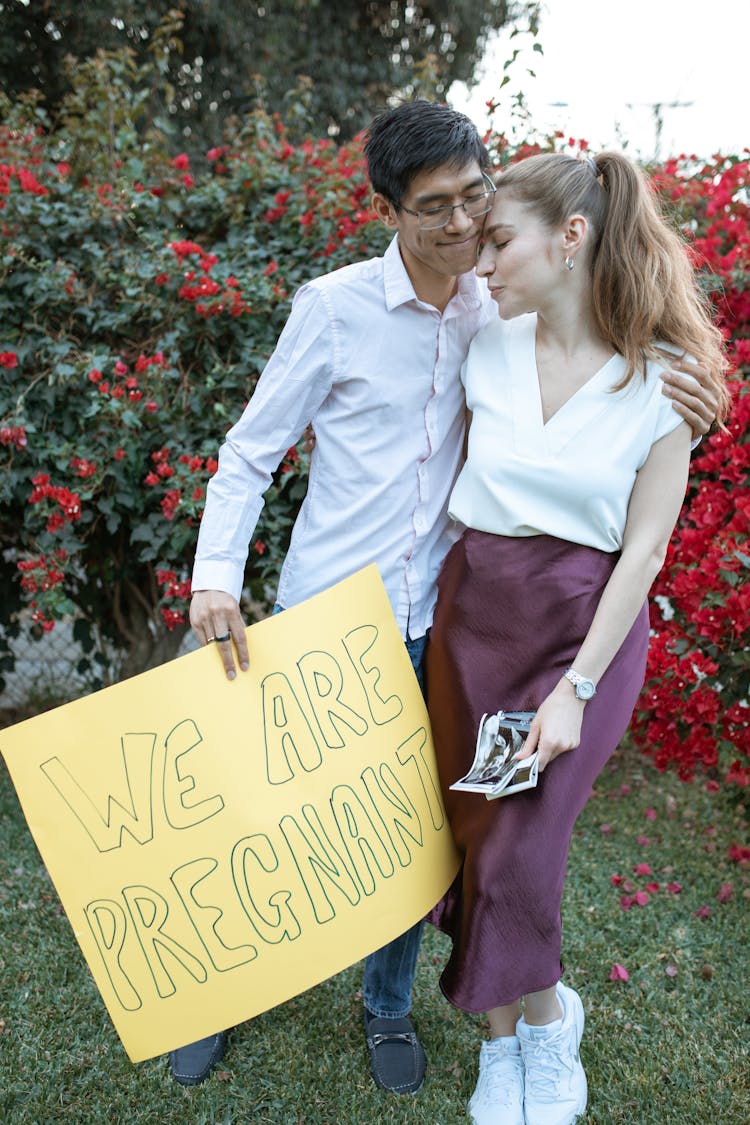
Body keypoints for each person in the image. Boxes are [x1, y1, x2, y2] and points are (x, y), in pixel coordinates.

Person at [174, 101, 719, 1093]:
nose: (466, 226)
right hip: (324, 616)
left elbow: (601, 369)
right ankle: (215, 994)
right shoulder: (333, 310)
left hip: (443, 623)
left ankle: (388, 1008)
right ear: (389, 210)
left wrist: (690, 395)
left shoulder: (496, 307)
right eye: (437, 209)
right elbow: (250, 455)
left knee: (408, 831)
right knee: (268, 819)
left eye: (477, 199)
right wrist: (216, 576)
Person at [424, 150, 729, 1125]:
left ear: (572, 237)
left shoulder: (664, 386)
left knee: (524, 841)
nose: (484, 261)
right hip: (475, 621)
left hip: (582, 633)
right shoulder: (484, 348)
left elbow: (643, 556)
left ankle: (549, 1027)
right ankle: (500, 1046)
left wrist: (577, 688)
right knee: (479, 837)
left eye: (500, 239)